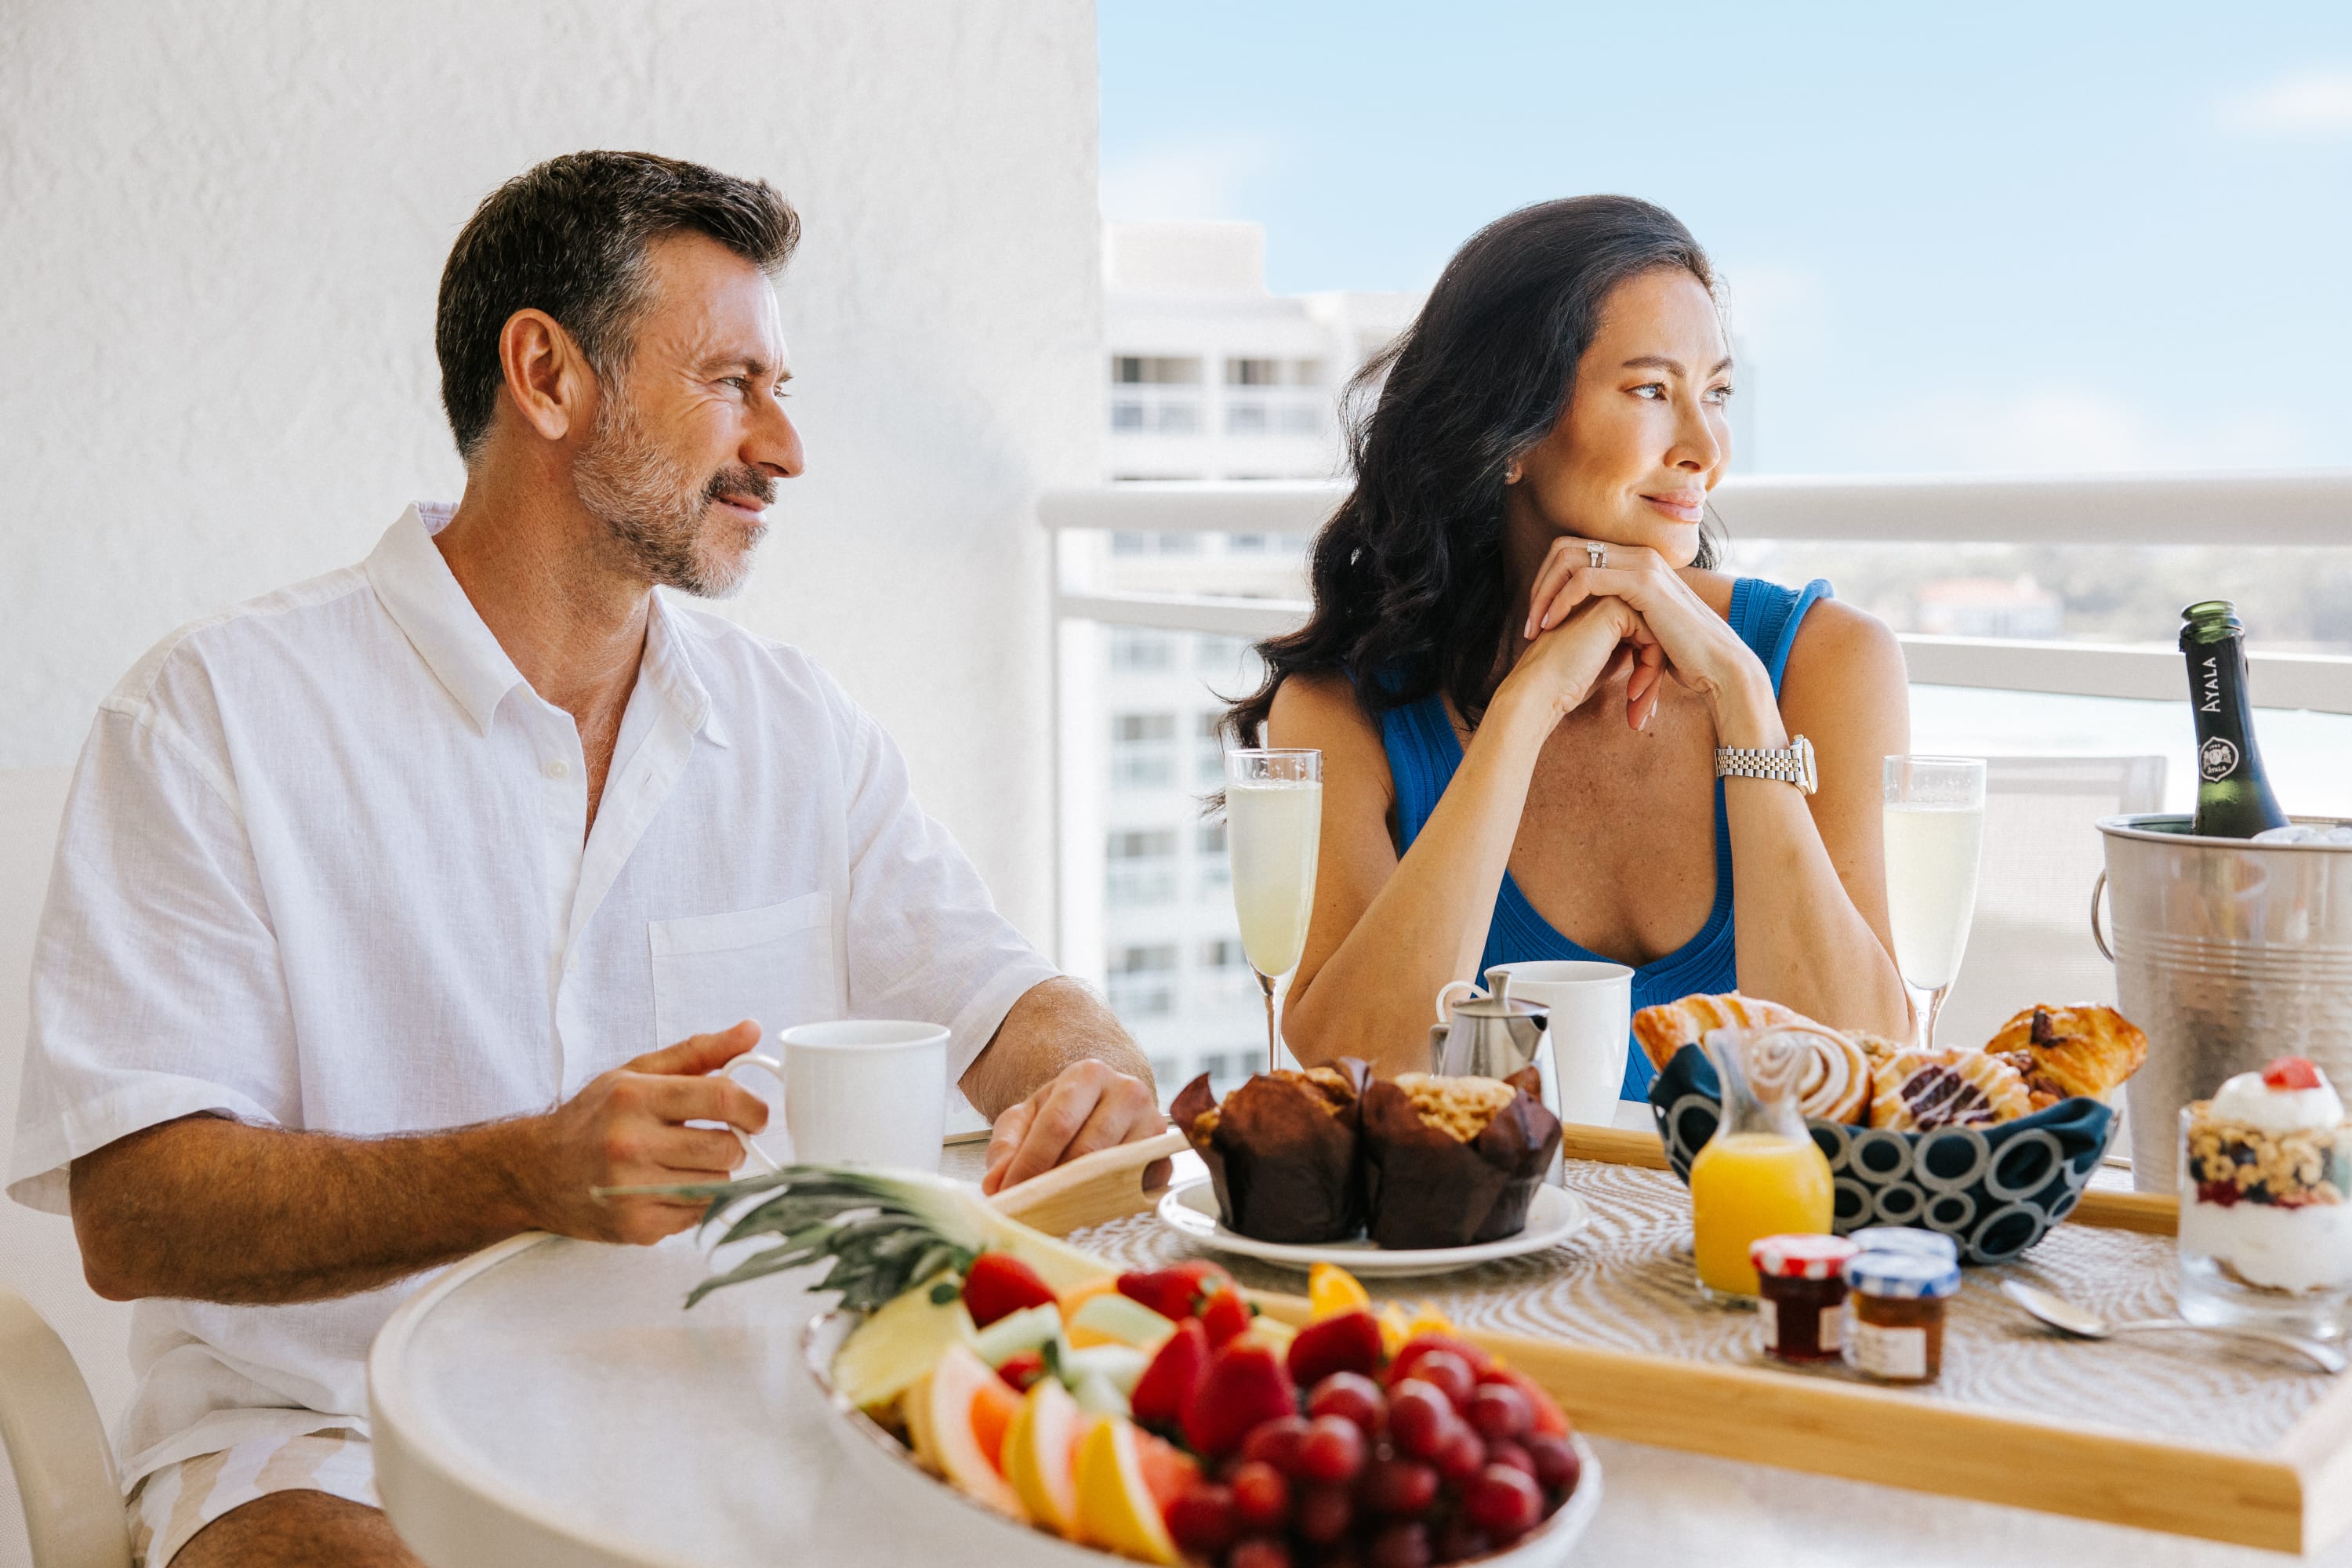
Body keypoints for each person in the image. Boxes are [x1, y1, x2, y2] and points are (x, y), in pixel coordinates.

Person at [6, 151, 1163, 1568]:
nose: (784, 450)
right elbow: (134, 1216)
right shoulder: (211, 717)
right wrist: (522, 1172)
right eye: (734, 382)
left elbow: (1001, 996)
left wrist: (1086, 1077)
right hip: (320, 1444)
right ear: (546, 378)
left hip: (745, 1419)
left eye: (781, 390)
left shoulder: (797, 726)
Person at [1229, 195, 1911, 1089]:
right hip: (1494, 1229)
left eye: (1716, 393)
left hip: (1756, 1225)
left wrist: (1743, 700)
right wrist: (1522, 711)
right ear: (1508, 431)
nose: (1706, 446)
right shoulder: (1341, 710)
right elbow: (1359, 1071)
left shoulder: (1823, 662)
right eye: (1650, 391)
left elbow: (1867, 1063)